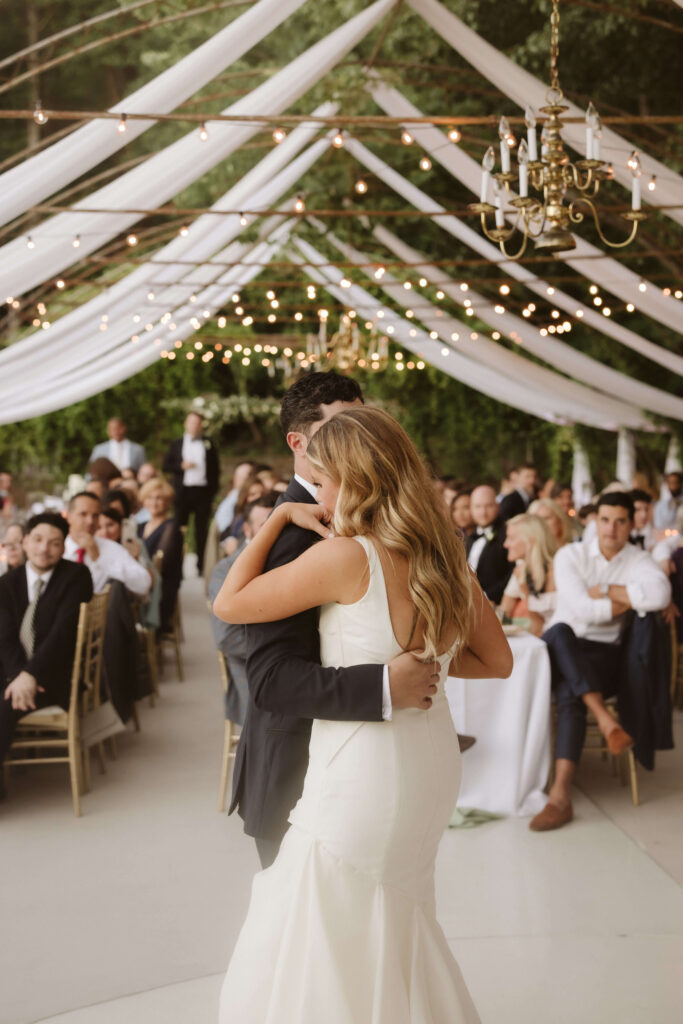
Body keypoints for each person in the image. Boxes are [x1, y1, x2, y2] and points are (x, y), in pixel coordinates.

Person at [214, 406, 511, 1022]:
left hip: (368, 772)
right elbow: (497, 660)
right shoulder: (445, 555)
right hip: (428, 759)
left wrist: (274, 520)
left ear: (356, 480)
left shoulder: (347, 556)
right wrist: (426, 664)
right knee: (394, 914)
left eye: (321, 480)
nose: (315, 494)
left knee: (328, 916)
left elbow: (229, 602)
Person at [225, 371, 452, 872]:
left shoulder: (385, 525)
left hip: (374, 776)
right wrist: (386, 686)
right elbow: (269, 679)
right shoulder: (291, 535)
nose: (362, 436)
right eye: (344, 425)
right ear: (298, 442)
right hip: (300, 779)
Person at [534, 492, 671, 832]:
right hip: (561, 644)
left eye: (620, 521)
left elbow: (659, 595)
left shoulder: (639, 559)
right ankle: (606, 720)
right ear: (595, 520)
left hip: (603, 658)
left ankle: (560, 795)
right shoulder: (571, 554)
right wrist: (630, 599)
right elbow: (582, 610)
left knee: (570, 690)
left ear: (630, 524)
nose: (611, 529)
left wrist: (607, 588)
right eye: (605, 520)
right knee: (563, 631)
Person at [0, 513, 93, 775]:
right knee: (9, 694)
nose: (44, 549)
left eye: (54, 543)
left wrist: (31, 674)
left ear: (64, 547)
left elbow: (62, 635)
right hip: (14, 672)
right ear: (25, 541)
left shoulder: (77, 576)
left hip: (56, 676)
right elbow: (5, 638)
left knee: (5, 706)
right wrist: (19, 676)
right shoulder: (6, 583)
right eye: (38, 540)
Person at [209, 494, 278, 727]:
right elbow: (227, 638)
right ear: (247, 529)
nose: (272, 531)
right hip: (251, 668)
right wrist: (283, 651)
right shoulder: (224, 571)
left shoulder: (296, 560)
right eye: (264, 525)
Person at [162, 410, 219, 574]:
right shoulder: (177, 444)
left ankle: (201, 566)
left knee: (202, 531)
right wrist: (181, 466)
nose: (195, 426)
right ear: (186, 424)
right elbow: (166, 465)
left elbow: (215, 469)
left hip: (203, 493)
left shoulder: (208, 443)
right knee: (178, 530)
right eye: (192, 422)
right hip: (183, 493)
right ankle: (176, 567)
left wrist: (212, 492)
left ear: (201, 426)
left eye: (198, 423)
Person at [64, 492, 151, 598]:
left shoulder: (111, 549)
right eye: (83, 514)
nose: (90, 521)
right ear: (68, 516)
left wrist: (100, 559)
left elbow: (144, 583)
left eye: (95, 516)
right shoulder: (55, 548)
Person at [138, 478, 183, 632]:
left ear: (167, 502)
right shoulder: (140, 526)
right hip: (142, 581)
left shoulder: (171, 527)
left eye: (159, 498)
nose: (153, 502)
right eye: (149, 498)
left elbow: (162, 564)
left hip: (160, 589)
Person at [501, 513, 558, 635]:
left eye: (511, 538)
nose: (505, 544)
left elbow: (540, 628)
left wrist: (525, 592)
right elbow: (503, 612)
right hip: (538, 642)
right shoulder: (520, 571)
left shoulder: (559, 570)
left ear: (530, 541)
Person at [466, 484, 513, 603]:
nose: (483, 512)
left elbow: (512, 574)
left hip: (495, 603)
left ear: (497, 506)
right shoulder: (469, 538)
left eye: (489, 506)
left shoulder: (508, 534)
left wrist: (486, 597)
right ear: (471, 508)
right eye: (478, 506)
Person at [214, 461, 257, 533]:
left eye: (245, 477)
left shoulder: (249, 498)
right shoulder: (232, 496)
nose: (241, 480)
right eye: (239, 476)